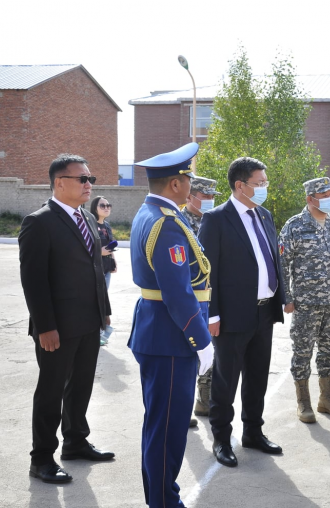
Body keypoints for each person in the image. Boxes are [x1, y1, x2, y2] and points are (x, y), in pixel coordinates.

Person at [128, 142, 214, 507]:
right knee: (168, 430)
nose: (192, 186)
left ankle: (160, 497)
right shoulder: (165, 224)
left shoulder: (152, 213)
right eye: (188, 179)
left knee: (159, 425)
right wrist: (202, 341)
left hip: (159, 334)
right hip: (171, 339)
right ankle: (164, 501)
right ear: (176, 184)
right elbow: (178, 295)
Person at [19, 154, 113, 484]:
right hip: (56, 326)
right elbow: (34, 280)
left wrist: (104, 311)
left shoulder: (86, 219)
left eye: (91, 178)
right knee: (51, 391)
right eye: (82, 179)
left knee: (81, 385)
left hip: (89, 321)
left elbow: (95, 270)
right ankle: (42, 457)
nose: (90, 184)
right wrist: (45, 326)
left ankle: (75, 442)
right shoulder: (39, 222)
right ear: (60, 182)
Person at [198, 157, 286, 467]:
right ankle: (222, 439)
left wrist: (282, 296)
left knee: (257, 376)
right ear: (240, 185)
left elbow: (272, 259)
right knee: (226, 381)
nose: (264, 188)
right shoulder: (217, 219)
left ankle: (253, 432)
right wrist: (212, 314)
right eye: (259, 183)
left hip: (264, 312)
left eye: (265, 183)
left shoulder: (264, 215)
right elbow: (208, 272)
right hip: (231, 316)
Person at [280, 177, 330, 424]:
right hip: (306, 304)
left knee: (329, 352)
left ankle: (327, 399)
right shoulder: (294, 226)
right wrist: (287, 298)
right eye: (323, 194)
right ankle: (303, 402)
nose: (328, 198)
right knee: (302, 353)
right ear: (310, 198)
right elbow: (282, 264)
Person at [180, 175, 221, 422]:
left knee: (209, 351)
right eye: (205, 196)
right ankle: (182, 409)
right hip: (188, 299)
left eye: (212, 197)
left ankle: (204, 401)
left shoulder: (214, 221)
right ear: (189, 196)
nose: (209, 201)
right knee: (187, 355)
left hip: (211, 299)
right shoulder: (180, 222)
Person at [90, 195, 117, 346]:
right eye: (102, 206)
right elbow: (87, 247)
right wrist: (99, 252)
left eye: (108, 205)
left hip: (106, 268)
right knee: (98, 301)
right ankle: (98, 332)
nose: (106, 208)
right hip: (95, 268)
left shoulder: (106, 225)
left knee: (103, 300)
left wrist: (114, 262)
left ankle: (101, 332)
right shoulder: (91, 225)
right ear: (95, 208)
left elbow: (110, 245)